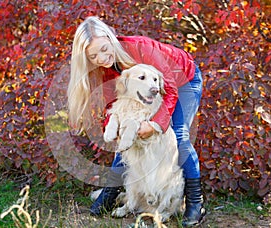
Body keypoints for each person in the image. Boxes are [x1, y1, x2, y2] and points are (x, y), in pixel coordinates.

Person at [67, 16, 206, 226]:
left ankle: (196, 204)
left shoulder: (140, 47)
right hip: (149, 90)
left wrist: (154, 124)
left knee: (180, 136)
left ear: (110, 38)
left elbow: (168, 89)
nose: (102, 58)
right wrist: (115, 130)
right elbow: (111, 106)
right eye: (93, 56)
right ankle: (110, 195)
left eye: (104, 49)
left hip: (182, 81)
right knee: (126, 139)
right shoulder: (104, 70)